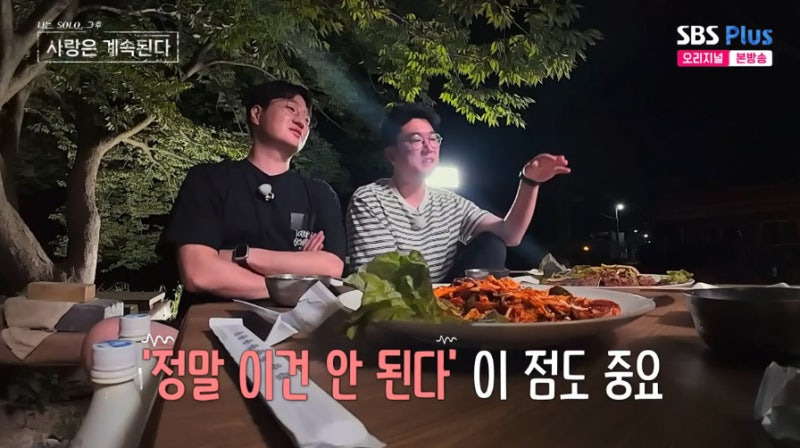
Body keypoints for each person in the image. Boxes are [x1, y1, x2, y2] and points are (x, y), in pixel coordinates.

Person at [81, 80, 346, 372]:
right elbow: (199, 272)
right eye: (290, 108)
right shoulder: (209, 180)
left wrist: (240, 255)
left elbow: (331, 266)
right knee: (104, 335)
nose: (302, 121)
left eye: (307, 118)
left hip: (294, 329)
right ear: (257, 114)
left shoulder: (320, 194)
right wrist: (292, 281)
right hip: (209, 327)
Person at [345, 102, 570, 282]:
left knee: (493, 244)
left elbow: (510, 235)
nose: (429, 147)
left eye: (433, 138)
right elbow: (379, 280)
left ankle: (469, 317)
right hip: (394, 306)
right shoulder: (370, 199)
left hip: (446, 301)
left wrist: (529, 182)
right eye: (416, 140)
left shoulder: (449, 202)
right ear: (391, 154)